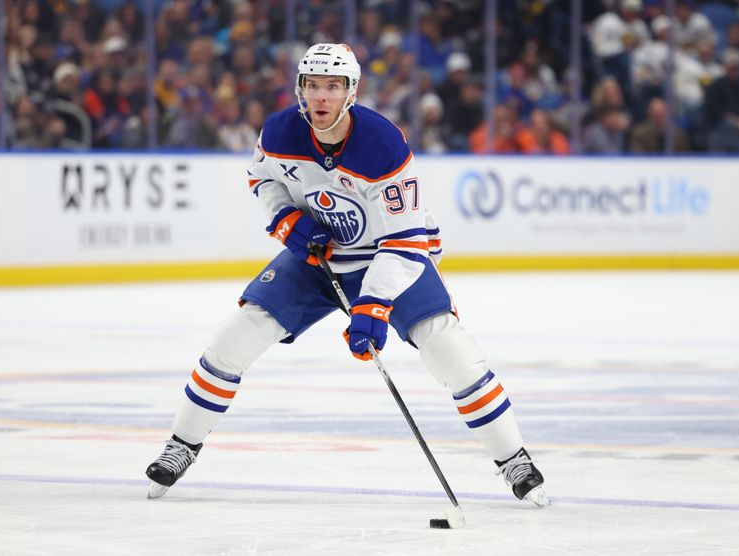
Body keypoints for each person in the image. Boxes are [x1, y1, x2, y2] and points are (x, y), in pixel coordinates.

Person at [145, 43, 549, 508]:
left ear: (351, 91)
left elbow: (405, 241)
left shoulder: (382, 144)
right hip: (319, 260)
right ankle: (182, 444)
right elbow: (263, 179)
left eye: (332, 87)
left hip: (390, 257)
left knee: (451, 352)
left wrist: (373, 304)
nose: (321, 97)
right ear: (300, 88)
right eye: (313, 85)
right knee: (233, 338)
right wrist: (286, 220)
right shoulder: (279, 131)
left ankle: (512, 457)